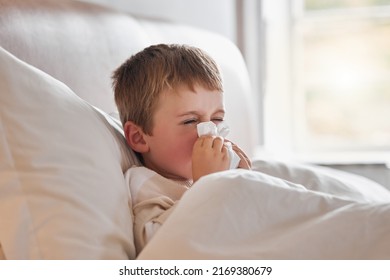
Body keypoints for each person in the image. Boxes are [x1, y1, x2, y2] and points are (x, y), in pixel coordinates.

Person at [112, 43, 251, 254]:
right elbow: (157, 246)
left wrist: (243, 184)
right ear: (139, 137)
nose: (210, 132)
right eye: (190, 121)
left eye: (217, 119)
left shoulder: (224, 172)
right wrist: (206, 185)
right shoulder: (146, 183)